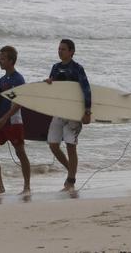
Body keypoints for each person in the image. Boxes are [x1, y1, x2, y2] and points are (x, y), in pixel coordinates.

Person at [45, 39, 91, 192]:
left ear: (71, 52)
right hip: (59, 110)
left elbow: (86, 89)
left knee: (71, 146)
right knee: (53, 144)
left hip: (74, 113)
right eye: (59, 49)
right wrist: (48, 83)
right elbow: (53, 91)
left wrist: (87, 111)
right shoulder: (55, 68)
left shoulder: (77, 68)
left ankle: (70, 181)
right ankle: (71, 170)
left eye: (63, 49)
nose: (60, 51)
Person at [0, 45, 31, 196]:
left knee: (20, 153)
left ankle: (27, 187)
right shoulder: (2, 80)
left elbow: (19, 102)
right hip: (1, 121)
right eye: (0, 58)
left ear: (11, 61)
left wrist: (5, 118)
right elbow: (1, 102)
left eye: (2, 58)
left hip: (13, 121)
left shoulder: (19, 79)